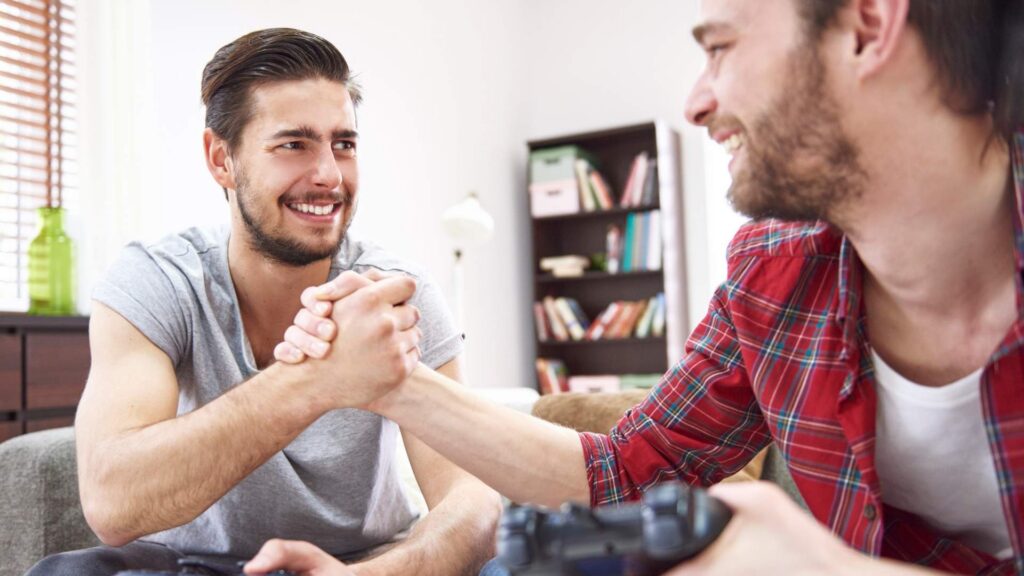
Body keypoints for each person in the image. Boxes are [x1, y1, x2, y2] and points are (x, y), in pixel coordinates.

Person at [267, 0, 1024, 574]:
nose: (697, 102)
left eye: (720, 48)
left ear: (866, 25)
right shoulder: (776, 273)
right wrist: (393, 383)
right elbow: (624, 473)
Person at [27, 28, 500, 576]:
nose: (328, 175)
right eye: (293, 144)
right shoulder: (157, 281)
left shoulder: (397, 294)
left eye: (343, 144)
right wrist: (315, 379)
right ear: (221, 159)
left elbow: (472, 504)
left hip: (364, 564)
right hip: (192, 565)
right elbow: (113, 503)